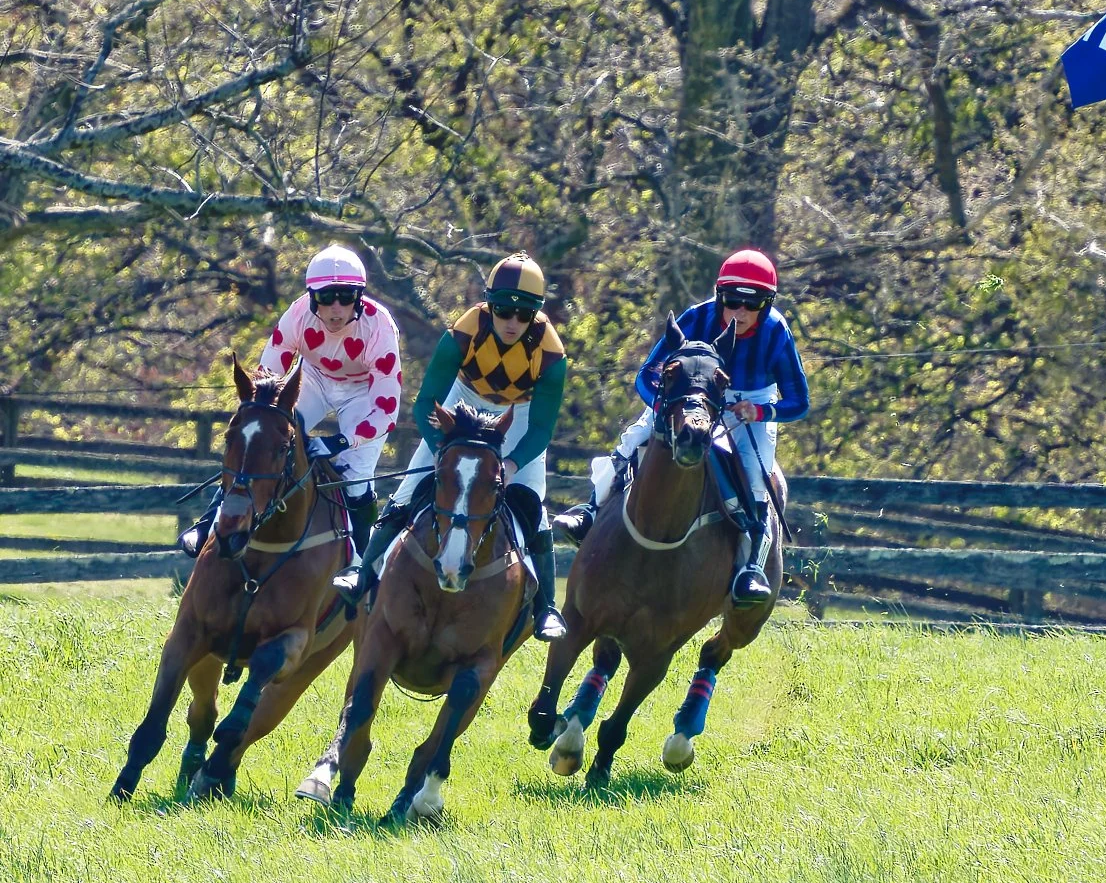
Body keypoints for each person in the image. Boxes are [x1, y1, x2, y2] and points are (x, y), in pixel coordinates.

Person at [553, 248, 810, 607]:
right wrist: (663, 408)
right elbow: (647, 374)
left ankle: (751, 568)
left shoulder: (777, 332)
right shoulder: (696, 317)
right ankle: (590, 512)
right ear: (720, 295)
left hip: (747, 403)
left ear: (767, 305)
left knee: (755, 479)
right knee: (633, 440)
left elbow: (799, 401)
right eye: (732, 301)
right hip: (691, 394)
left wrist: (760, 411)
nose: (740, 313)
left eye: (752, 305)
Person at [360, 253, 569, 642]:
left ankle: (547, 608)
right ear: (489, 303)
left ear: (537, 314)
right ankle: (363, 571)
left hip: (518, 413)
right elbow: (426, 404)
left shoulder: (552, 356)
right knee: (409, 490)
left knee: (532, 505)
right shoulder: (464, 330)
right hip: (463, 399)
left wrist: (512, 461)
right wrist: (442, 448)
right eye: (503, 310)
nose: (511, 322)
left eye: (524, 315)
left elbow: (541, 429)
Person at [180, 244, 403, 580]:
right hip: (312, 377)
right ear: (312, 297)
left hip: (364, 392)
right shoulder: (296, 316)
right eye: (327, 297)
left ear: (359, 296)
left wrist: (342, 441)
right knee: (255, 444)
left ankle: (361, 562)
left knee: (356, 477)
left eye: (346, 296)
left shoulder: (380, 328)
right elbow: (265, 380)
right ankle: (208, 526)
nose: (336, 308)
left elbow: (386, 409)